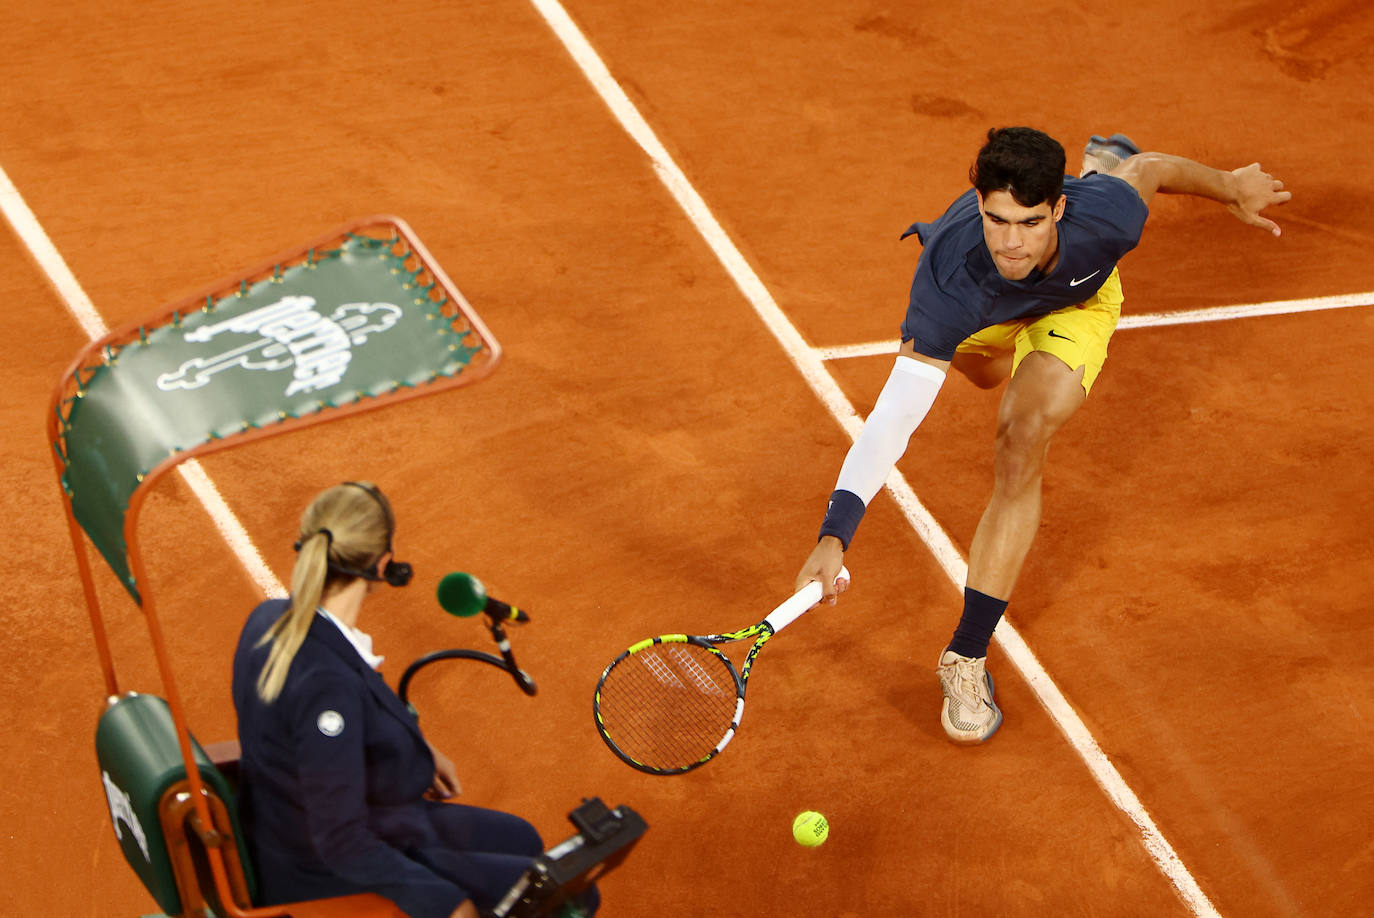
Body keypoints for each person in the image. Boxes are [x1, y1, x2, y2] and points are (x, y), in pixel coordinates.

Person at [794, 127, 1290, 744]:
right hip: (983, 316)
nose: (1010, 241)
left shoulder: (1103, 220)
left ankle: (966, 656)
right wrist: (834, 535)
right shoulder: (950, 281)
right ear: (979, 204)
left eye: (1029, 222)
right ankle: (1007, 347)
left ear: (1059, 206)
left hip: (1074, 306)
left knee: (1021, 433)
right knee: (982, 376)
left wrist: (1231, 187)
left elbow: (1153, 169)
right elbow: (893, 419)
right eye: (996, 220)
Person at [232, 481, 598, 918]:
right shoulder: (325, 684)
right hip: (321, 867)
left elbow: (344, 720)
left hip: (323, 819)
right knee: (568, 897)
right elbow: (340, 840)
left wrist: (418, 749)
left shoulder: (272, 617)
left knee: (521, 837)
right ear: (383, 563)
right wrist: (444, 902)